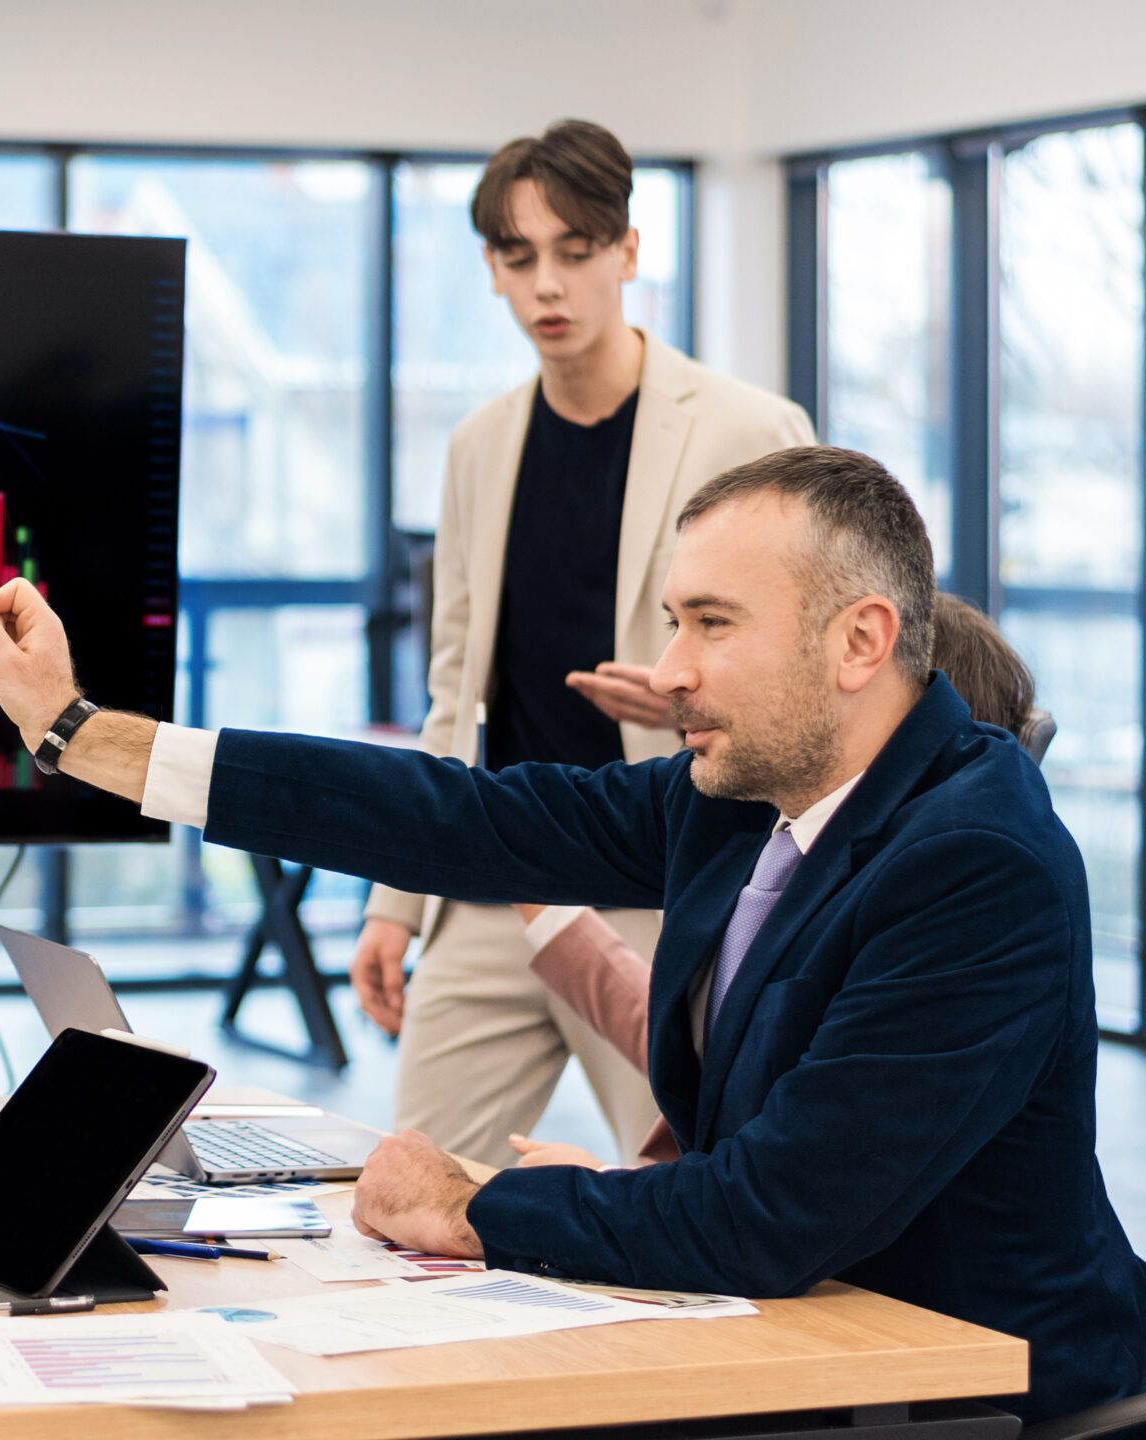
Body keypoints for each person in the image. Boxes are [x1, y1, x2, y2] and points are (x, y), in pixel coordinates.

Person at [0, 446, 1146, 1432]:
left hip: (964, 1387)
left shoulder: (976, 863)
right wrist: (88, 736)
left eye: (711, 624)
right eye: (672, 622)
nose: (669, 671)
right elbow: (464, 819)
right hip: (797, 1347)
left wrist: (474, 1208)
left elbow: (772, 1217)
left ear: (859, 642)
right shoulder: (738, 798)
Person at [351, 119, 815, 1167]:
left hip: (660, 883)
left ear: (626, 253)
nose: (547, 286)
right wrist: (395, 903)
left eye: (574, 251)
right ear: (492, 270)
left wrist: (692, 698)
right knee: (401, 1190)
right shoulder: (480, 444)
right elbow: (450, 690)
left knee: (693, 1193)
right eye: (519, 259)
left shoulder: (746, 430)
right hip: (494, 879)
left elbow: (808, 671)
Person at [506, 591, 1042, 1170]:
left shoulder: (948, 892)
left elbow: (793, 1190)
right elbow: (722, 1050)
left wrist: (592, 1191)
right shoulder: (799, 850)